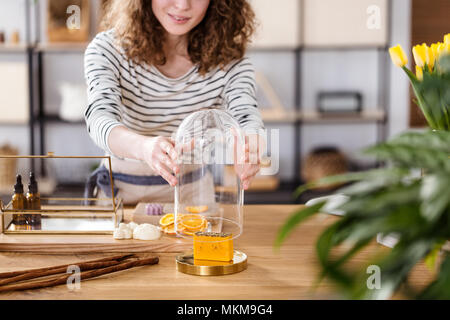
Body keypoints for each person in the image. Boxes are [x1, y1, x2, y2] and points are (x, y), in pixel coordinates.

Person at [84, 0, 265, 204]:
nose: (182, 5)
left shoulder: (230, 63)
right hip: (118, 195)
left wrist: (250, 148)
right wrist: (144, 148)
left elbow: (247, 116)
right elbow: (99, 118)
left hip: (194, 200)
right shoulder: (107, 50)